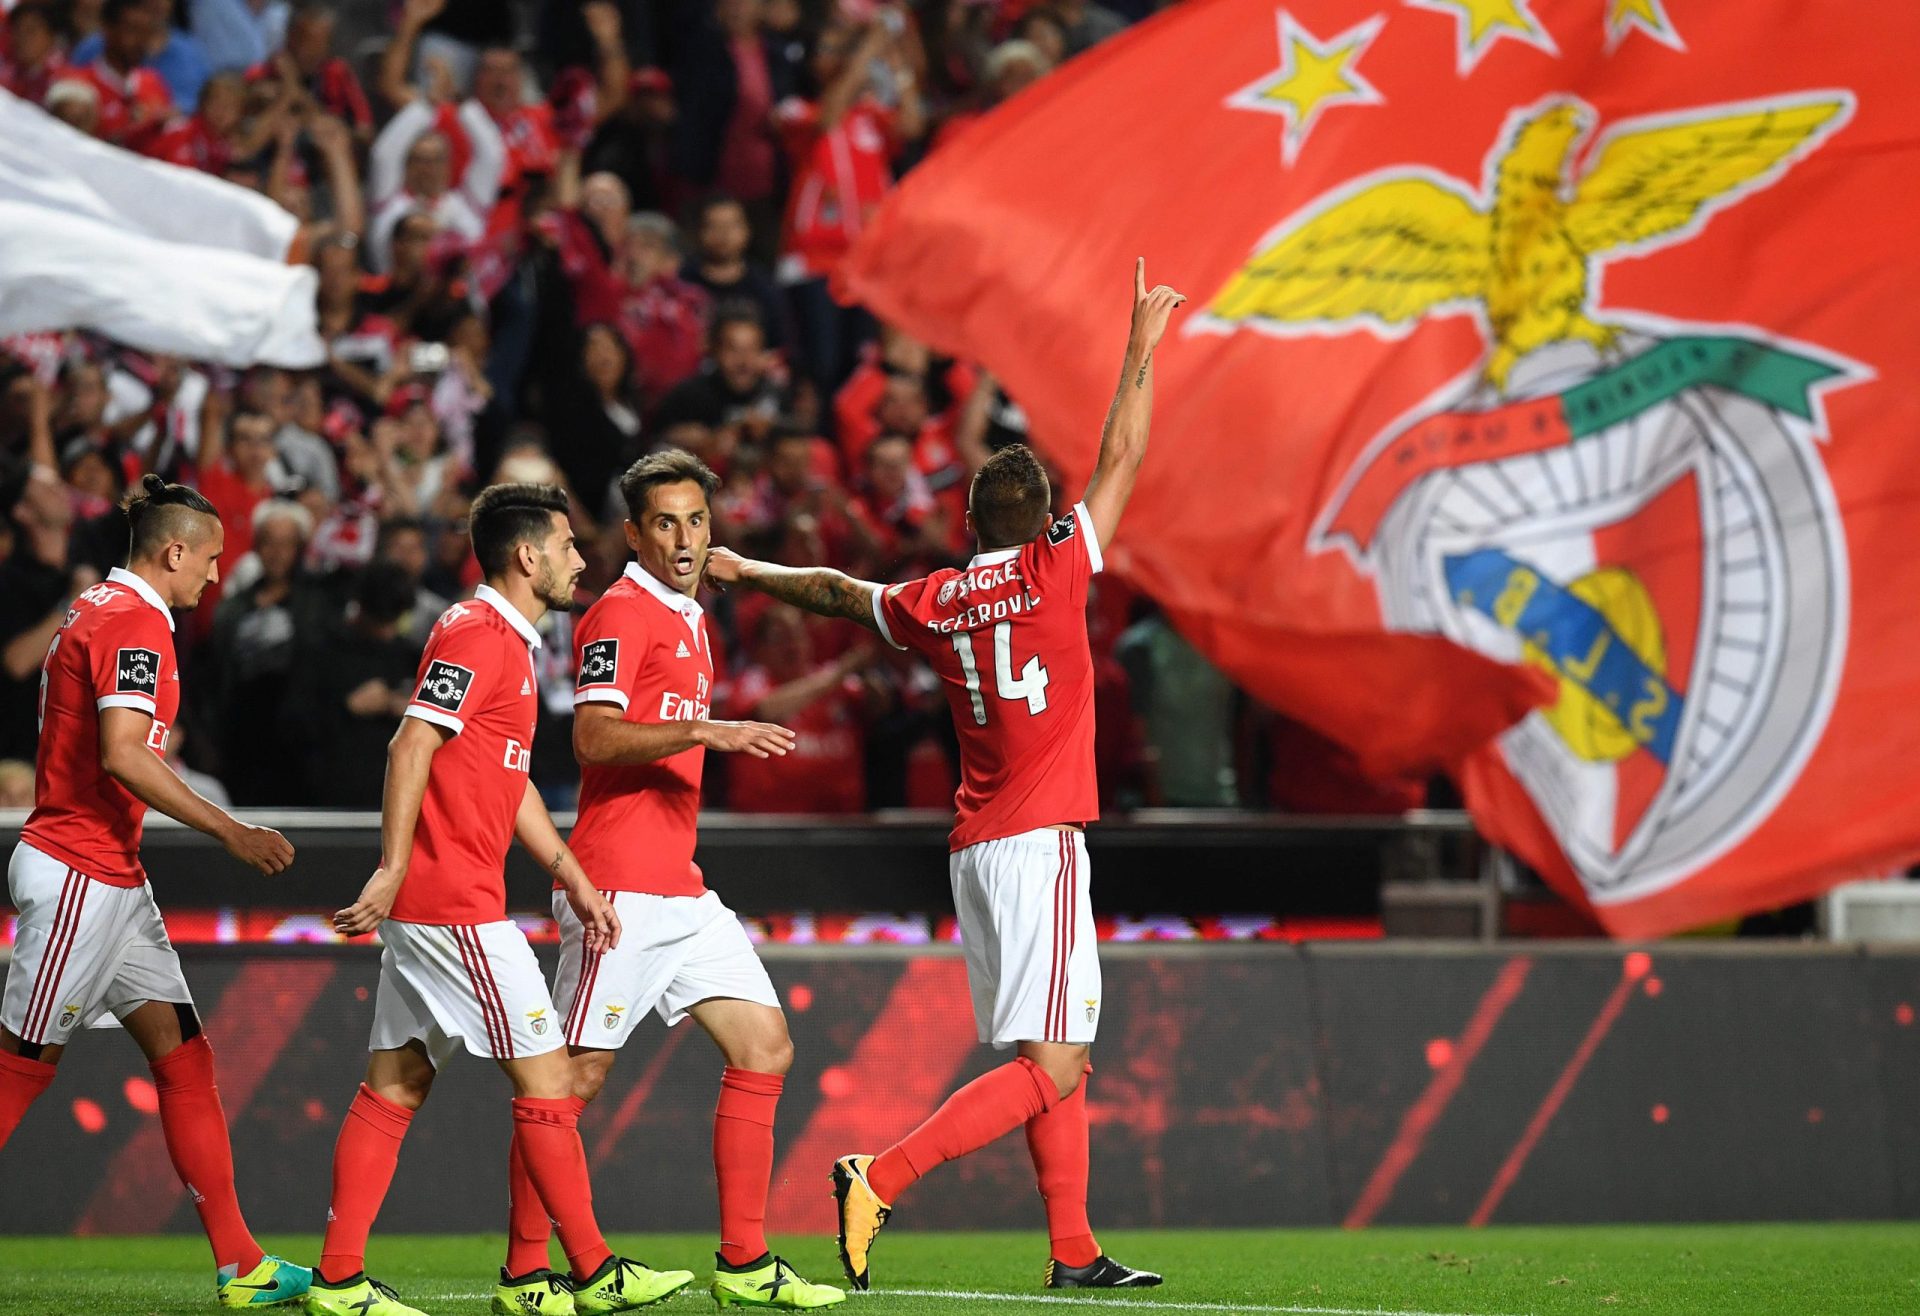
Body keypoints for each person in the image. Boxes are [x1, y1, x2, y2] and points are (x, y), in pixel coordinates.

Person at [703, 259, 1185, 1291]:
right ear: (1046, 518)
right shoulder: (1060, 569)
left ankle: (1073, 1251)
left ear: (970, 525)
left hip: (974, 848)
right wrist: (1138, 352)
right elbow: (1128, 450)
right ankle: (880, 1172)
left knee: (1061, 1060)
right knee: (1052, 1062)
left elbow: (835, 590)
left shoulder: (932, 599)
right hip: (1038, 842)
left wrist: (747, 570)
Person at [307, 483, 690, 1316]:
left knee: (396, 1087)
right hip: (454, 905)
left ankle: (339, 1279)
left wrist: (572, 874)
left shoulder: (498, 639)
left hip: (446, 900)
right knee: (550, 1081)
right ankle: (583, 1270)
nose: (581, 560)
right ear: (529, 556)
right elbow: (411, 742)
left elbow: (506, 781)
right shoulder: (482, 636)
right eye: (567, 546)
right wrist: (392, 865)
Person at [501, 450, 844, 1312]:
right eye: (667, 523)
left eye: (697, 520)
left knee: (766, 1046)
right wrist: (711, 731)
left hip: (682, 892)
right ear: (633, 533)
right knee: (569, 1082)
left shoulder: (689, 616)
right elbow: (593, 739)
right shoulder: (618, 613)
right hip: (615, 887)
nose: (687, 539)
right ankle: (524, 1273)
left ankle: (746, 1262)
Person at [0, 475, 308, 1308]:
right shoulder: (136, 620)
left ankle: (241, 1267)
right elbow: (125, 753)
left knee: (183, 1054)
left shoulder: (100, 604)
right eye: (208, 559)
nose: (214, 575)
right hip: (78, 873)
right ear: (173, 551)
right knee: (17, 1067)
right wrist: (230, 830)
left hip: (110, 875)